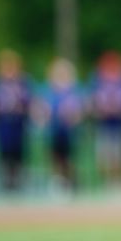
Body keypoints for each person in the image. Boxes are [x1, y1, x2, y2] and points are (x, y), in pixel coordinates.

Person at [0, 50, 35, 192]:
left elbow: (28, 102)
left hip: (18, 123)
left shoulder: (23, 83)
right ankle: (6, 182)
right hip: (3, 123)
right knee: (4, 153)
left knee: (18, 153)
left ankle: (18, 181)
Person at [90, 52, 121, 186]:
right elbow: (93, 100)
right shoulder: (97, 79)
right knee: (105, 153)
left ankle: (118, 181)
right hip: (104, 123)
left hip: (120, 122)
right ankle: (108, 181)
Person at [41, 58, 84, 192]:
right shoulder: (48, 91)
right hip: (54, 131)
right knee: (55, 158)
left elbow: (79, 111)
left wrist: (72, 117)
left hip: (70, 132)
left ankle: (72, 184)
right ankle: (57, 184)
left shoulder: (74, 91)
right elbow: (43, 110)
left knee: (69, 159)